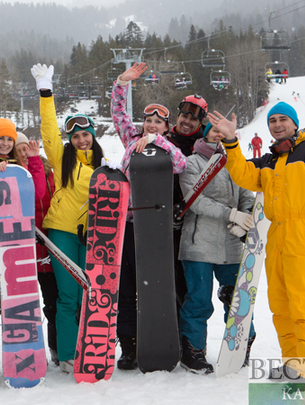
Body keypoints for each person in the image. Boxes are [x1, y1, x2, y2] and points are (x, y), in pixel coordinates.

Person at [208, 101, 305, 386]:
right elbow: (242, 174)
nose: (277, 124)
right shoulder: (270, 160)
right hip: (276, 238)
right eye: (272, 120)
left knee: (303, 305)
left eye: (283, 119)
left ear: (294, 123)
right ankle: (294, 365)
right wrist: (231, 141)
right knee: (280, 307)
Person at [31, 63, 108, 374]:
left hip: (95, 236)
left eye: (85, 135)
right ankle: (67, 354)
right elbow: (49, 131)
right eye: (75, 136)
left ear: (93, 135)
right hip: (62, 232)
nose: (81, 140)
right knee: (68, 297)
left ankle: (92, 347)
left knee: (93, 296)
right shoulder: (63, 159)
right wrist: (46, 92)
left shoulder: (106, 166)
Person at [110, 62, 188, 370]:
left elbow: (181, 165)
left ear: (167, 127)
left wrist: (158, 142)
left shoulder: (169, 148)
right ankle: (128, 346)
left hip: (157, 227)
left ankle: (164, 339)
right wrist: (122, 83)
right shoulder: (131, 140)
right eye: (149, 121)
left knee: (157, 286)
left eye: (159, 122)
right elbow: (118, 114)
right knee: (127, 287)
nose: (152, 125)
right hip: (128, 225)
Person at [178, 123, 255, 375]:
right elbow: (194, 200)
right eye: (214, 130)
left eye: (222, 132)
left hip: (231, 244)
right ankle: (193, 352)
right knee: (199, 300)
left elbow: (246, 192)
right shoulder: (191, 162)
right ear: (206, 132)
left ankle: (240, 345)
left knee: (237, 299)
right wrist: (230, 213)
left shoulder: (233, 160)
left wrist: (244, 218)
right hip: (199, 243)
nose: (218, 134)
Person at [0, 120, 46, 384]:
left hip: (18, 242)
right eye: (1, 139)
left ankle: (18, 356)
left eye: (9, 139)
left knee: (19, 303)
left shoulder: (20, 167)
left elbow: (38, 193)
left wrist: (33, 162)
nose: (6, 144)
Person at [15, 132, 59, 365]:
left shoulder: (49, 172)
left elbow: (43, 194)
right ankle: (23, 351)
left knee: (52, 301)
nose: (23, 152)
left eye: (26, 148)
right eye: (18, 148)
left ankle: (56, 347)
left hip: (49, 245)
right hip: (23, 248)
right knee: (22, 306)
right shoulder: (10, 174)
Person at [166, 94, 209, 326]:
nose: (187, 121)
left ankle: (189, 335)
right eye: (184, 115)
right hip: (167, 221)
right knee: (170, 280)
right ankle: (171, 332)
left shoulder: (206, 144)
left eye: (193, 119)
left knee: (192, 283)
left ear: (200, 122)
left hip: (196, 224)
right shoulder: (165, 139)